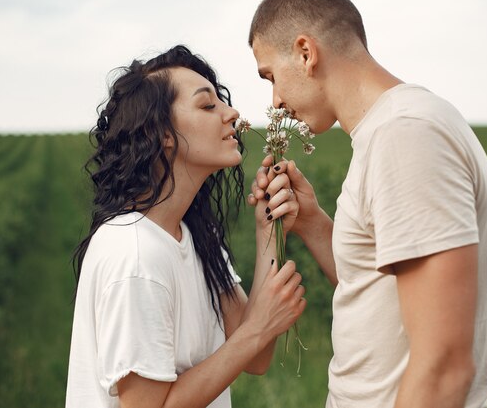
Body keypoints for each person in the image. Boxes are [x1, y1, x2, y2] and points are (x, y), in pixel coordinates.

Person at [247, 0, 487, 407]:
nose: (274, 101)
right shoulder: (391, 131)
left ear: (306, 52)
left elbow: (444, 367)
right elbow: (378, 292)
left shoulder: (405, 135)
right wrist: (312, 223)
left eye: (270, 75)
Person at [65, 45, 306, 408]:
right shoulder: (135, 256)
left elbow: (256, 357)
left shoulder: (192, 235)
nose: (232, 114)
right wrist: (258, 330)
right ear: (162, 132)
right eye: (208, 105)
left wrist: (268, 231)